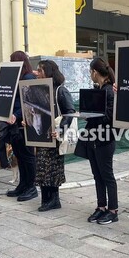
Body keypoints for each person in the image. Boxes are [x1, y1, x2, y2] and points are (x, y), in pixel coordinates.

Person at [35, 60, 75, 211]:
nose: (37, 73)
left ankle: (53, 199)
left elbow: (70, 112)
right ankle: (47, 199)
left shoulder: (60, 90)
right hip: (42, 137)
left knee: (52, 169)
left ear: (48, 72)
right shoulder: (40, 89)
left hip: (54, 137)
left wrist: (60, 130)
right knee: (42, 169)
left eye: (40, 70)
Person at [84, 57, 118, 225]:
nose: (90, 75)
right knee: (97, 175)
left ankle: (113, 210)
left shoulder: (110, 91)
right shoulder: (99, 89)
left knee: (107, 175)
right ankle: (101, 206)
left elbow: (110, 117)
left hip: (105, 139)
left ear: (95, 72)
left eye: (90, 72)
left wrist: (91, 116)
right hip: (93, 138)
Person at [5, 51, 38, 201]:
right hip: (15, 124)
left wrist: (16, 115)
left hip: (24, 124)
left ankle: (31, 187)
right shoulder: (17, 78)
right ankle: (23, 185)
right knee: (19, 155)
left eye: (12, 61)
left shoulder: (28, 78)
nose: (11, 63)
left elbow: (28, 102)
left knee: (28, 156)